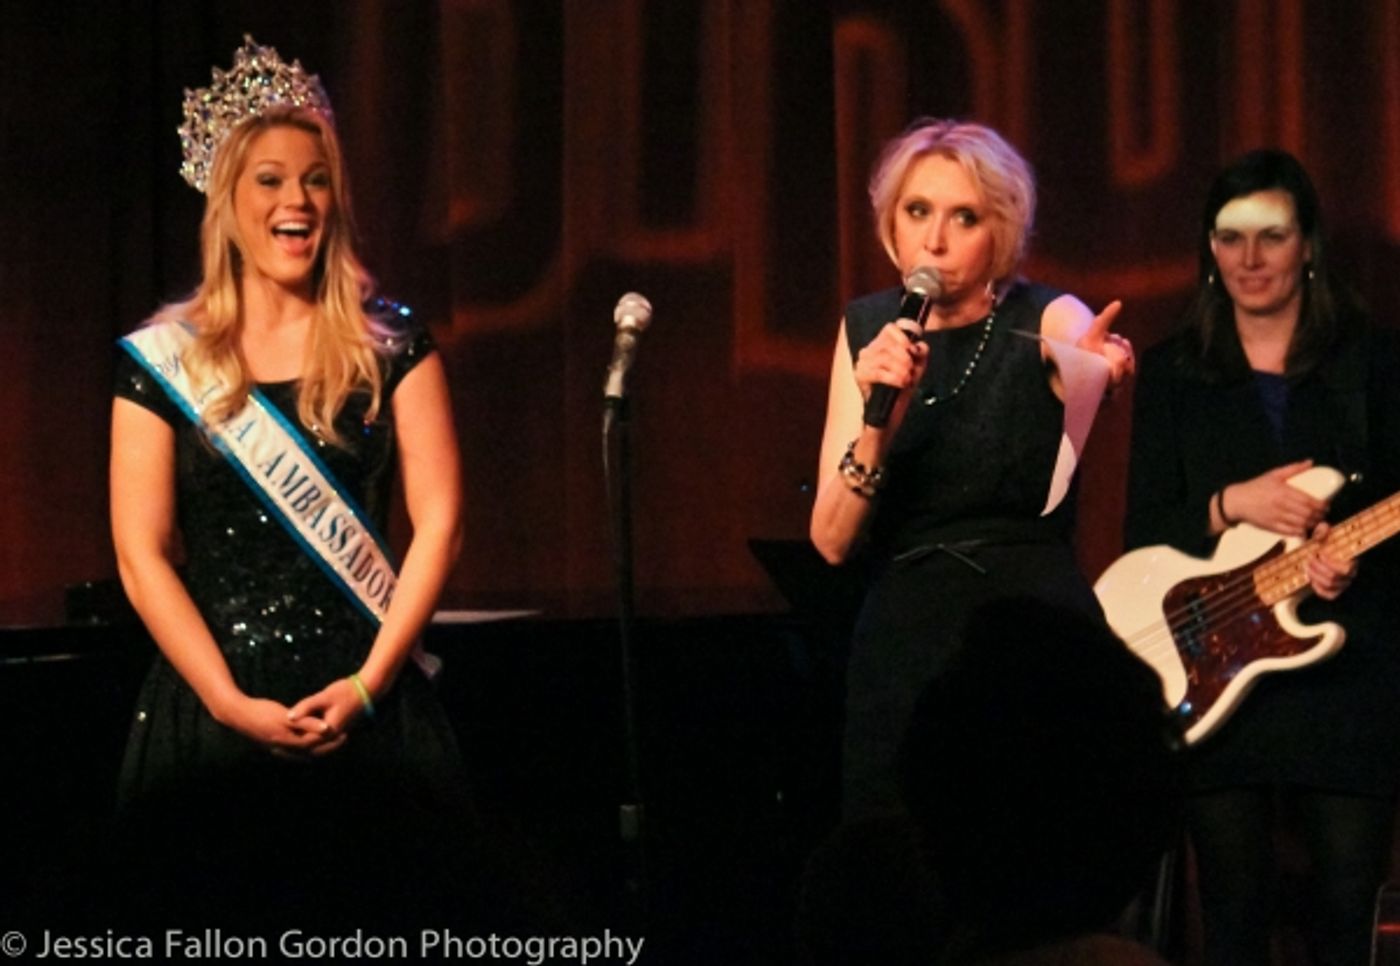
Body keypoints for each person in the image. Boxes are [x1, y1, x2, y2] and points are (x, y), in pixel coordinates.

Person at [107, 37, 475, 930]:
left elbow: (442, 524)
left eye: (314, 179)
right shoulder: (165, 363)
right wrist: (229, 704)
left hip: (370, 708)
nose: (296, 200)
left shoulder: (390, 346)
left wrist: (367, 687)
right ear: (228, 200)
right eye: (270, 180)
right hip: (214, 716)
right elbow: (140, 549)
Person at [808, 117, 1133, 819]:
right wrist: (877, 429)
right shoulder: (867, 329)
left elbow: (1083, 350)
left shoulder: (1045, 313)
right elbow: (831, 540)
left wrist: (1097, 367)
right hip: (906, 635)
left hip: (1023, 628)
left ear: (1002, 233)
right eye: (918, 211)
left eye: (965, 217)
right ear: (892, 224)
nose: (935, 238)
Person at [1125, 148, 1400, 965]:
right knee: (1233, 918)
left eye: (1271, 235)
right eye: (1231, 236)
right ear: (1209, 248)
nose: (1250, 258)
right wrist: (1224, 505)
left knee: (1345, 917)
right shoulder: (1174, 372)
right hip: (1215, 676)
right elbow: (1140, 537)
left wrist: (1348, 567)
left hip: (1350, 681)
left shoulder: (1375, 365)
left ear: (1308, 244)